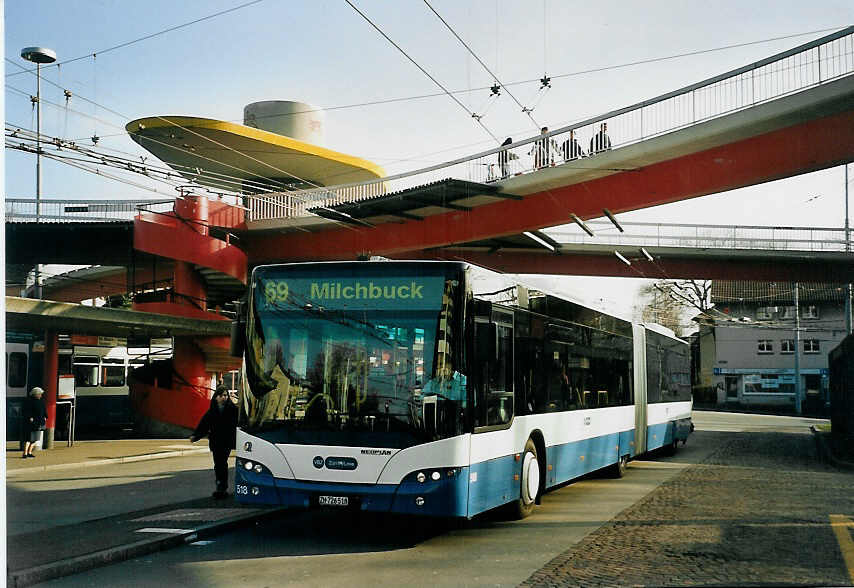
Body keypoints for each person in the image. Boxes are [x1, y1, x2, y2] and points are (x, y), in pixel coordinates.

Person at [190, 387, 238, 499]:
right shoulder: (212, 411)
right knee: (218, 464)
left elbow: (238, 424)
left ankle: (222, 487)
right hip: (216, 442)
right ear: (216, 397)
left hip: (227, 441)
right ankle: (220, 486)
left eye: (226, 395)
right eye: (221, 395)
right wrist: (196, 436)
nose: (224, 398)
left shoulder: (233, 410)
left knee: (222, 462)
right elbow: (204, 424)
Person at [22, 387, 47, 458]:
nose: (40, 395)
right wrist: (29, 417)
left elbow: (44, 410)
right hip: (31, 423)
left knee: (35, 439)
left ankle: (29, 452)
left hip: (39, 422)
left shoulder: (41, 401)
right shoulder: (29, 401)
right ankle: (25, 453)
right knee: (28, 439)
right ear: (35, 394)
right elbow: (26, 411)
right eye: (39, 394)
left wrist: (45, 416)